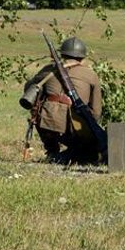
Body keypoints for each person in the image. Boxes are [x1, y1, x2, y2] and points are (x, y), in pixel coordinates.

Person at [21, 36, 102, 164]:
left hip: (47, 122)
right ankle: (63, 155)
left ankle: (53, 152)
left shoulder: (48, 70)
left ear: (62, 54)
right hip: (75, 126)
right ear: (83, 57)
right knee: (91, 151)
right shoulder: (91, 75)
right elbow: (96, 111)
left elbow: (29, 89)